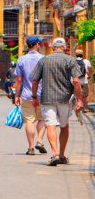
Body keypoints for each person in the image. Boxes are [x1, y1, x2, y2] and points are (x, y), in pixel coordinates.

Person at [31, 37, 83, 166]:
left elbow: (35, 80)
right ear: (65, 47)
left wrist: (34, 97)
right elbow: (76, 81)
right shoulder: (70, 60)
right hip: (65, 99)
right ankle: (61, 155)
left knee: (50, 125)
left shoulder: (44, 60)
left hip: (47, 98)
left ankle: (54, 155)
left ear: (53, 47)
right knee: (64, 126)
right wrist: (79, 99)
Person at [14, 36, 47, 156]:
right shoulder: (44, 59)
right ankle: (40, 141)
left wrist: (16, 95)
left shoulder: (21, 60)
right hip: (42, 95)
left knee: (29, 120)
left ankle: (31, 147)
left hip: (27, 95)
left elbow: (18, 80)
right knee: (42, 119)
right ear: (37, 45)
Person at [74, 49, 91, 116]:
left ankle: (77, 107)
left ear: (76, 55)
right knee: (85, 95)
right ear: (82, 54)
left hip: (76, 81)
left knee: (76, 94)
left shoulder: (73, 61)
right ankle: (85, 108)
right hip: (84, 81)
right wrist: (89, 76)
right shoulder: (86, 61)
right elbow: (89, 70)